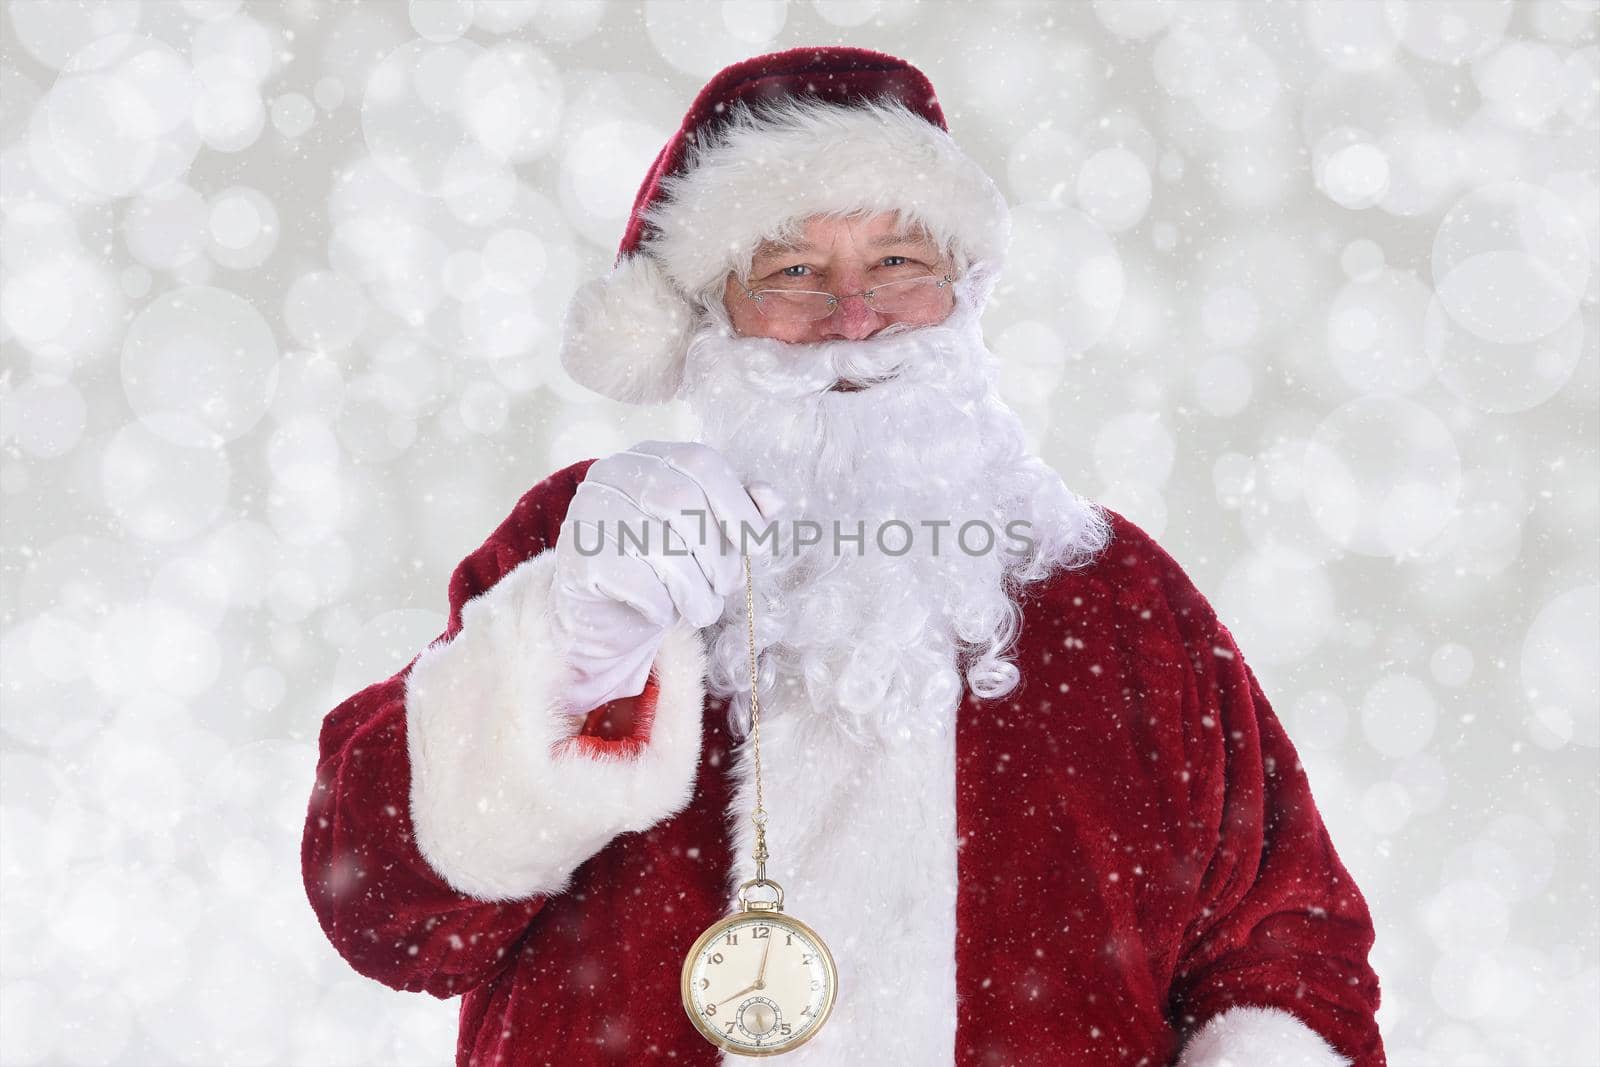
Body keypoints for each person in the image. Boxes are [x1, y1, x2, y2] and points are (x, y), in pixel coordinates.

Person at [301, 46, 1386, 1067]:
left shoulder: (1116, 596)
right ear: (711, 314)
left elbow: (1288, 950)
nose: (854, 316)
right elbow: (385, 916)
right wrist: (565, 656)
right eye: (792, 270)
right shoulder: (588, 540)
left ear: (965, 290)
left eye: (898, 260)